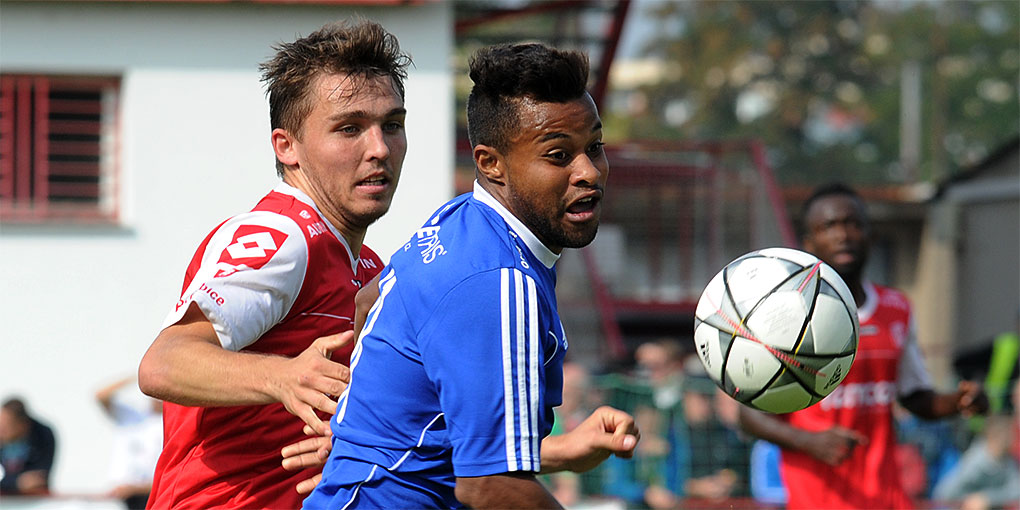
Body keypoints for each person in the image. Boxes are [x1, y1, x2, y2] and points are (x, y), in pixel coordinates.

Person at [302, 42, 639, 509]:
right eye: (559, 155)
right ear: (490, 163)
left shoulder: (459, 220)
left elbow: (370, 299)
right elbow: (489, 486)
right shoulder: (501, 279)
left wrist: (366, 430)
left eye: (595, 147)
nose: (589, 172)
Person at [137, 20, 410, 509]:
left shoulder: (370, 267)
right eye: (349, 128)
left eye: (391, 124)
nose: (380, 149)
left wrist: (555, 450)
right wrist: (282, 377)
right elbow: (163, 362)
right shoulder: (281, 236)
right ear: (287, 147)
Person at [738, 182, 989, 510]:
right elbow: (749, 417)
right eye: (829, 226)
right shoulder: (788, 318)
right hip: (818, 500)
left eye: (853, 223)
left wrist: (958, 401)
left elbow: (915, 397)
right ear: (809, 243)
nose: (843, 234)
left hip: (887, 498)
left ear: (870, 235)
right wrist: (809, 441)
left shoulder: (896, 308)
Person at [96, 377, 163, 509]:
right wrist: (137, 376)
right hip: (121, 496)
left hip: (151, 496)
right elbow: (101, 395)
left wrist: (134, 488)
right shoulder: (132, 416)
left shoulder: (170, 425)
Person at [0, 397, 56, 495]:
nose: (2, 430)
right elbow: (24, 482)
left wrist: (15, 482)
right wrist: (17, 482)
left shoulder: (42, 435)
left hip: (33, 500)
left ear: (23, 425)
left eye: (7, 426)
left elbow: (37, 480)